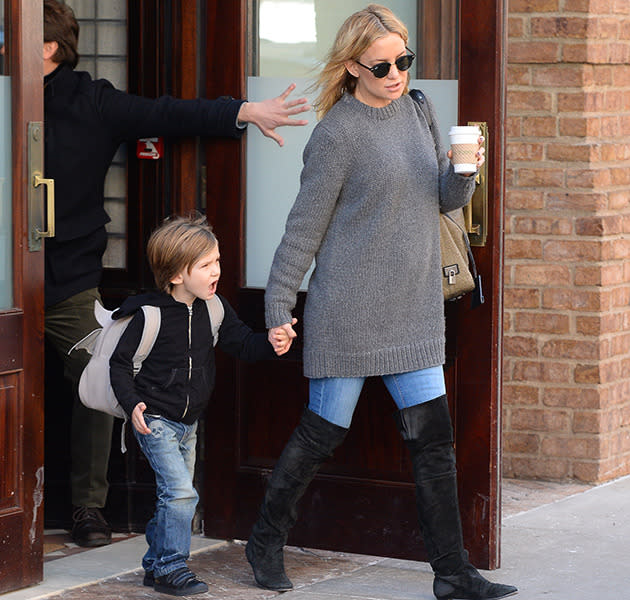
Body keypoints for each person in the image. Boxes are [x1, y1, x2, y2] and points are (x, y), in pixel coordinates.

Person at [245, 5, 517, 600]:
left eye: (404, 61)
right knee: (323, 431)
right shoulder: (336, 134)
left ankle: (452, 573)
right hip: (348, 312)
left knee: (435, 442)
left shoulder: (418, 109)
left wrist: (465, 170)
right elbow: (302, 232)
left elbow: (442, 199)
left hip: (414, 307)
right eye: (382, 66)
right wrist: (278, 310)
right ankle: (264, 540)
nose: (396, 74)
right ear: (352, 66)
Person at [41, 0, 308, 548]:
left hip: (66, 284)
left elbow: (167, 112)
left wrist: (243, 111)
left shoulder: (91, 100)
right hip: (5, 282)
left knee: (98, 377)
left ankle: (89, 508)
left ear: (46, 47)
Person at [109, 214, 291, 597]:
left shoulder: (214, 308)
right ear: (176, 274)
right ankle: (173, 567)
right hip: (154, 418)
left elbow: (242, 343)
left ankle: (156, 563)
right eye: (206, 265)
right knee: (180, 494)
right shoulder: (149, 315)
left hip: (188, 421)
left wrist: (272, 341)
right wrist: (133, 405)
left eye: (218, 262)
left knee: (173, 494)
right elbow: (120, 364)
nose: (217, 271)